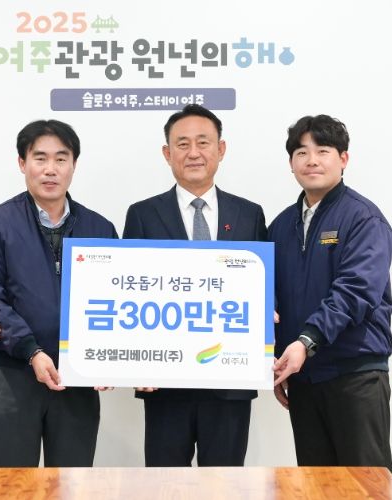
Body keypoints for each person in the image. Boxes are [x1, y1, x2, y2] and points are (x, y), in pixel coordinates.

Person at [0, 119, 118, 467]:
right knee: (14, 485)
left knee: (73, 484)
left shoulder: (99, 228)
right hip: (15, 373)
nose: (51, 169)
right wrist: (31, 351)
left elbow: (115, 298)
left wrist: (108, 359)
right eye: (40, 158)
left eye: (61, 159)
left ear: (74, 165)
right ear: (22, 163)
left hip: (77, 380)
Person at [122, 104, 267, 466]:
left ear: (221, 149)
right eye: (182, 144)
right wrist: (135, 362)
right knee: (164, 484)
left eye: (203, 142)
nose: (193, 153)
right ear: (167, 153)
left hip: (231, 382)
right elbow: (127, 292)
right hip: (165, 382)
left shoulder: (249, 214)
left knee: (226, 485)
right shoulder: (142, 215)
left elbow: (264, 287)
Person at [270, 114, 392, 472]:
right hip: (304, 378)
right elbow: (270, 298)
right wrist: (276, 361)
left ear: (343, 159)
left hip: (354, 376)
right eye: (301, 152)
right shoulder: (281, 226)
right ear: (291, 163)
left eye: (322, 151)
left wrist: (306, 341)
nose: (311, 160)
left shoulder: (363, 218)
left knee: (367, 486)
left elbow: (356, 291)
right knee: (317, 486)